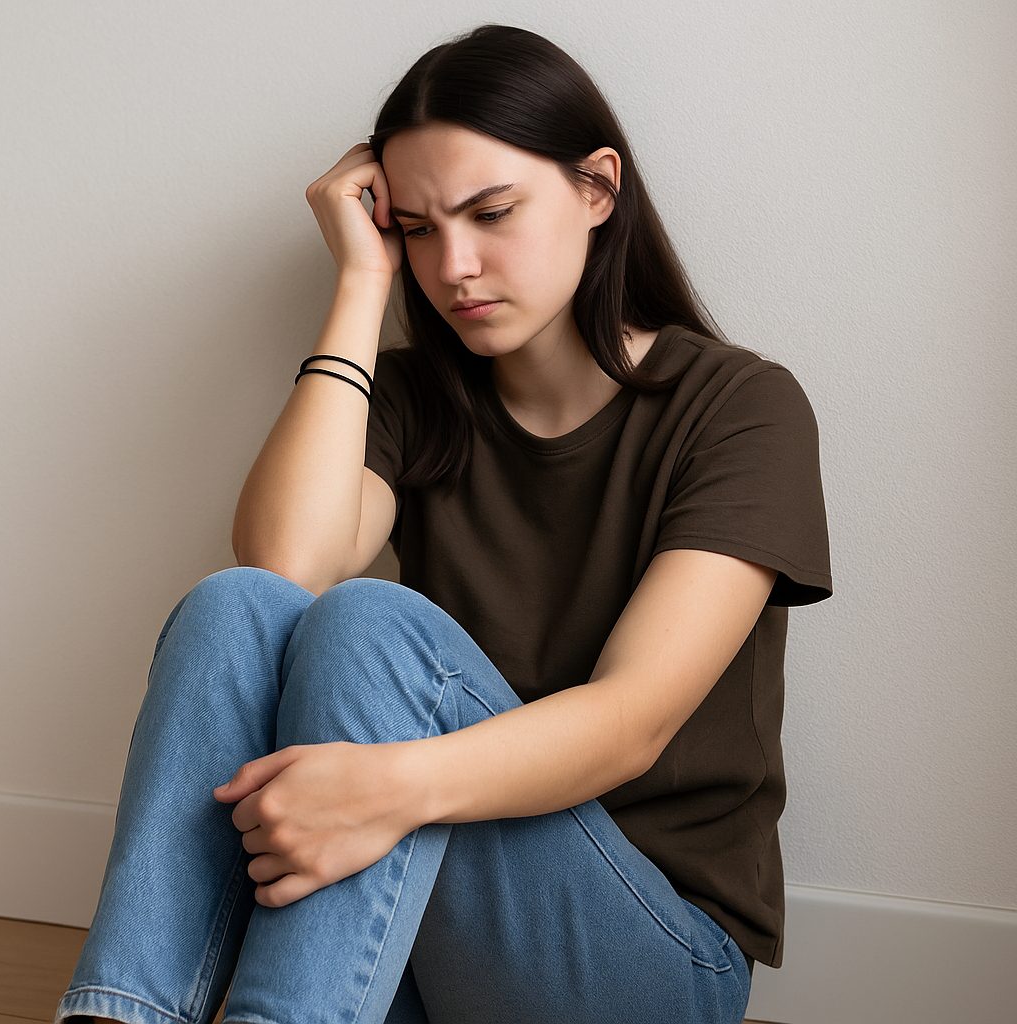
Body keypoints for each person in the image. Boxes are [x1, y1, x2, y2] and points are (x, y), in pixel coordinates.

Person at [53, 23, 832, 1024]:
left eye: (490, 212)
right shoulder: (420, 397)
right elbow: (284, 563)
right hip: (421, 933)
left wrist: (384, 789)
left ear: (598, 188)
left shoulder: (738, 406)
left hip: (649, 954)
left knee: (372, 624)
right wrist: (360, 283)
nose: (454, 264)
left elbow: (632, 721)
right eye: (418, 228)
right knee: (234, 604)